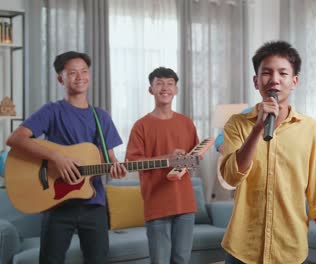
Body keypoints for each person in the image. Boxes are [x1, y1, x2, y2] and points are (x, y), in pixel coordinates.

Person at [6, 51, 127, 263]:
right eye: (72, 73)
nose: (80, 77)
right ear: (61, 78)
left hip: (94, 204)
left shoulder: (101, 117)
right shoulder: (52, 111)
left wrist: (116, 167)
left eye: (84, 71)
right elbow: (16, 139)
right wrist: (56, 157)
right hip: (56, 203)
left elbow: (110, 159)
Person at [220, 41, 316, 264]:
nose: (274, 79)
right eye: (266, 73)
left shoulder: (309, 129)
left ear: (294, 81)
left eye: (282, 73)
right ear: (256, 81)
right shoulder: (237, 124)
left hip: (289, 250)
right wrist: (257, 129)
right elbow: (231, 176)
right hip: (242, 249)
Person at [125, 67, 199, 264]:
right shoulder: (141, 126)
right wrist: (168, 159)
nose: (165, 88)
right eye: (159, 83)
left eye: (170, 84)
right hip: (156, 204)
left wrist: (188, 163)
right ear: (151, 89)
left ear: (176, 90)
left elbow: (194, 159)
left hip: (185, 204)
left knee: (182, 259)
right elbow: (131, 163)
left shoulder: (187, 123)